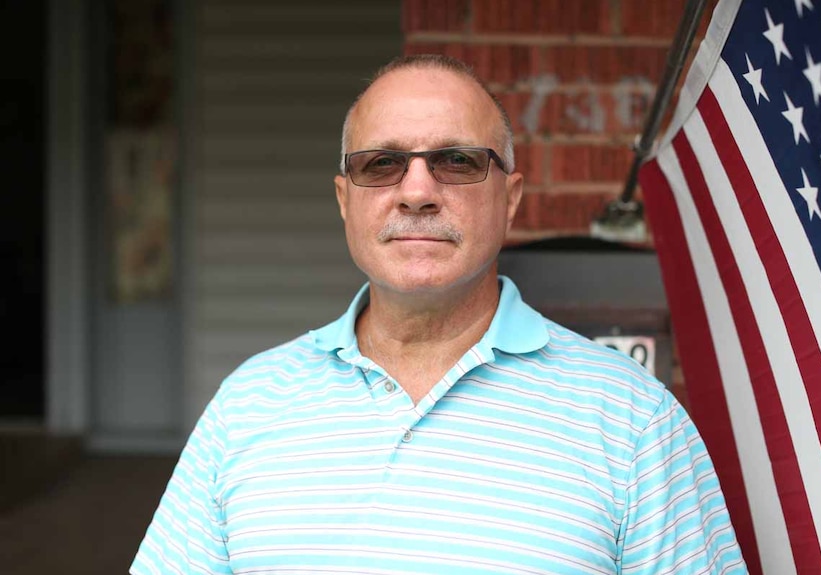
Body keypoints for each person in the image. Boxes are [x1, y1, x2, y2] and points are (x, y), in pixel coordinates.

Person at [131, 54, 747, 574]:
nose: (418, 191)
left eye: (456, 161)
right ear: (345, 202)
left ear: (509, 200)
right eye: (381, 164)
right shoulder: (247, 406)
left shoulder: (634, 420)